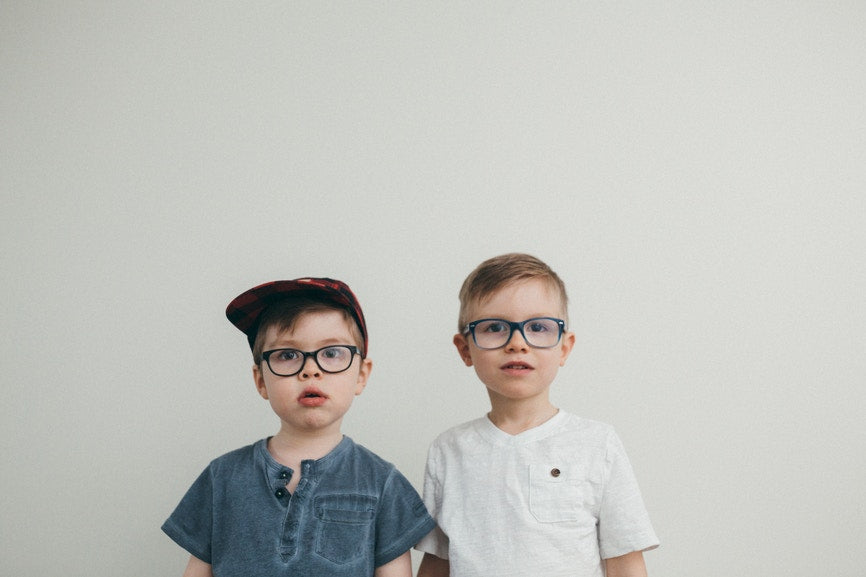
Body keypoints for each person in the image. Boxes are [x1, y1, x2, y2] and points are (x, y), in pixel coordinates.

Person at [163, 277, 435, 577]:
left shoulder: (383, 483)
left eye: (331, 353)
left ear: (361, 374)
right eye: (287, 355)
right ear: (260, 381)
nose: (310, 369)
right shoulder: (222, 477)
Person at [416, 254, 659, 577]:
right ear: (465, 349)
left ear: (564, 348)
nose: (517, 343)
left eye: (539, 327)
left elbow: (625, 562)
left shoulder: (596, 444)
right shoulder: (448, 450)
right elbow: (437, 563)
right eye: (494, 327)